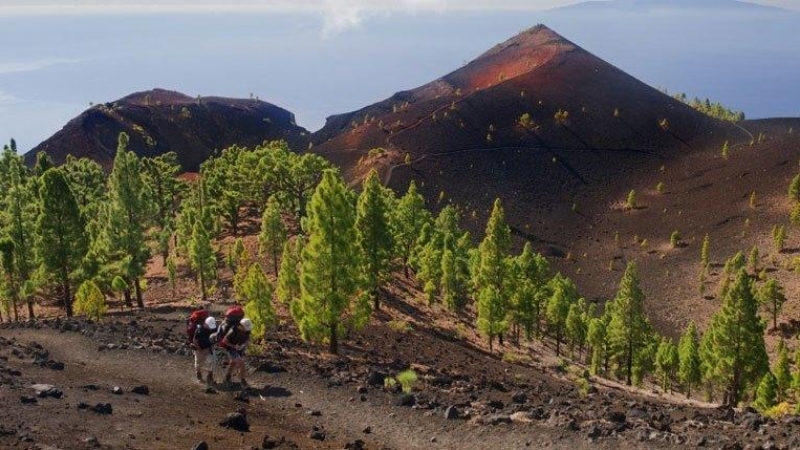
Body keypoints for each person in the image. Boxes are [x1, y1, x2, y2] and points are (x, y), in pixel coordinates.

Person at [220, 317, 252, 387]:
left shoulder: (247, 331)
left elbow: (247, 339)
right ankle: (243, 381)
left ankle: (227, 377)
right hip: (231, 348)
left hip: (240, 348)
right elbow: (224, 341)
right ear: (241, 325)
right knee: (241, 363)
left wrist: (246, 344)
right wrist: (234, 346)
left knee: (233, 362)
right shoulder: (233, 330)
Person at [193, 316, 218, 385]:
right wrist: (201, 350)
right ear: (206, 324)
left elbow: (216, 338)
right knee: (198, 363)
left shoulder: (214, 328)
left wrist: (212, 346)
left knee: (212, 361)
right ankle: (199, 377)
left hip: (209, 348)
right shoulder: (199, 330)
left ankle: (209, 377)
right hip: (199, 348)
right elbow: (195, 341)